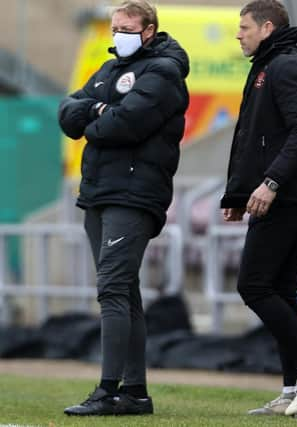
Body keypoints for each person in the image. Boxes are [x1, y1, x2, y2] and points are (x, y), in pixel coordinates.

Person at [58, 0, 189, 416]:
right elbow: (67, 112)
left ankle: (108, 390)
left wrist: (95, 116)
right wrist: (98, 111)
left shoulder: (164, 72)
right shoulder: (110, 69)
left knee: (112, 290)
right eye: (115, 28)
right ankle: (135, 393)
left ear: (149, 30)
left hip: (133, 194)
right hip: (99, 192)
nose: (118, 35)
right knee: (125, 293)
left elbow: (123, 124)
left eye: (126, 28)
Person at [220, 0, 297, 418]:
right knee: (283, 292)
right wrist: (237, 196)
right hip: (288, 192)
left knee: (253, 286)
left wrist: (271, 184)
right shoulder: (271, 65)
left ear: (267, 27)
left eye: (244, 27)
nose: (239, 34)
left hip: (288, 194)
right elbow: (256, 139)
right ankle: (293, 390)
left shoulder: (286, 67)